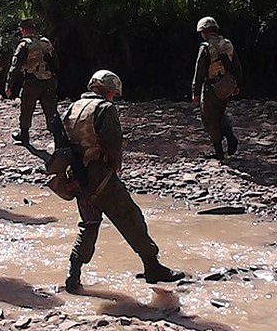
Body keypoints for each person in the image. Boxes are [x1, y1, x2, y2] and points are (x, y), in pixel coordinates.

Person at [63, 70, 185, 294]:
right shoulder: (105, 109)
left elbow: (62, 143)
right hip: (101, 176)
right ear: (109, 90)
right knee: (131, 218)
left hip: (78, 179)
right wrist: (115, 166)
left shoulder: (73, 108)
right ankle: (152, 267)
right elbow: (112, 143)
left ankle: (73, 275)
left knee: (89, 225)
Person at [192, 17, 242, 160]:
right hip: (227, 86)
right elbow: (237, 67)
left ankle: (219, 151)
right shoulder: (227, 44)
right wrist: (237, 84)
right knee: (220, 112)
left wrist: (195, 92)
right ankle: (230, 136)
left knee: (209, 117)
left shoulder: (206, 47)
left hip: (212, 87)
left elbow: (200, 71)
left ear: (205, 32)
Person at [6, 18, 59, 146]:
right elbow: (55, 62)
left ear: (23, 30)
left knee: (27, 108)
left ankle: (24, 136)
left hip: (32, 81)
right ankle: (58, 137)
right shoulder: (45, 42)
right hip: (48, 79)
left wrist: (9, 84)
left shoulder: (24, 45)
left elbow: (15, 66)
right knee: (51, 109)